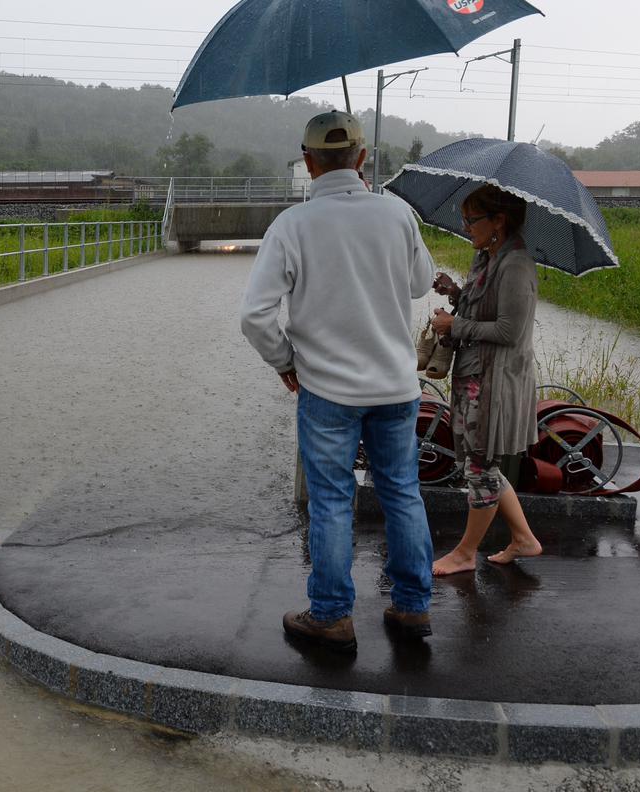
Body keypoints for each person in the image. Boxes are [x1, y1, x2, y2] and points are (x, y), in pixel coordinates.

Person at [239, 110, 435, 652]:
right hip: (397, 388)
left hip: (327, 391)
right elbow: (421, 284)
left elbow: (255, 316)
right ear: (363, 157)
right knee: (401, 492)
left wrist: (285, 363)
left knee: (331, 499)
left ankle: (331, 616)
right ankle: (413, 606)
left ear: (307, 161)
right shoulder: (397, 214)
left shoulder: (292, 226)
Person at [429, 185, 543, 575]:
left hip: (496, 384)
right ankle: (524, 539)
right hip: (474, 375)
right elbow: (485, 308)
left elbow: (510, 330)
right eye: (464, 219)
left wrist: (455, 324)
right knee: (483, 464)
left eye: (472, 220)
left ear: (499, 219)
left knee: (480, 466)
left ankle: (465, 552)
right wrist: (456, 293)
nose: (466, 227)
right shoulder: (485, 257)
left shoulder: (516, 265)